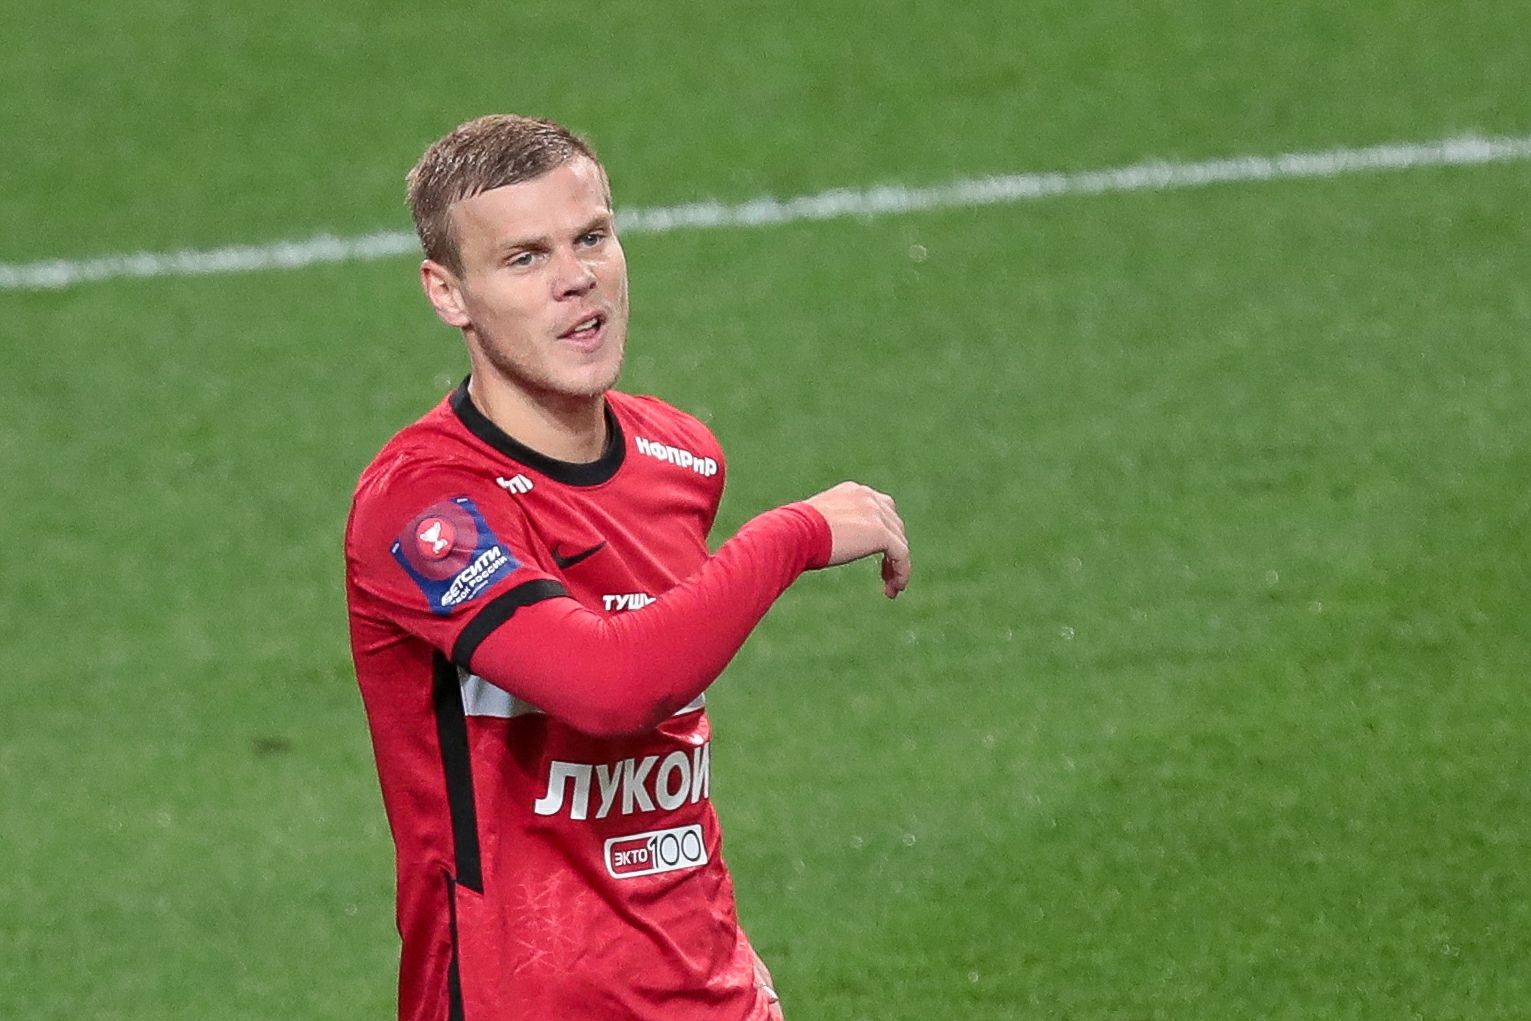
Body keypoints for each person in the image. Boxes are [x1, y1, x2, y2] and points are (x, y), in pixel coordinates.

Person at [344, 114, 911, 1021]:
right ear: (448, 293)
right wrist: (791, 535)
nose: (576, 278)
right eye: (524, 258)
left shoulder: (679, 456)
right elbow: (610, 688)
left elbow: (662, 746)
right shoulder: (422, 505)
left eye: (592, 237)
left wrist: (722, 952)